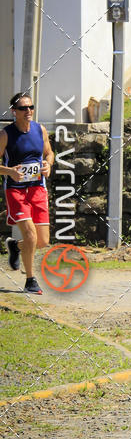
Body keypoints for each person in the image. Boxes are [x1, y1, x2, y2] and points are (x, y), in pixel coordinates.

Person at [0, 92, 54, 295]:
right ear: (14, 111)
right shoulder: (5, 134)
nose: (28, 111)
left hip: (38, 188)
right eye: (23, 108)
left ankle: (16, 247)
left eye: (31, 107)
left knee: (42, 241)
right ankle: (30, 280)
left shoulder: (40, 130)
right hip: (16, 190)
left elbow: (49, 153)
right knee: (31, 234)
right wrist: (10, 171)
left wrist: (48, 165)